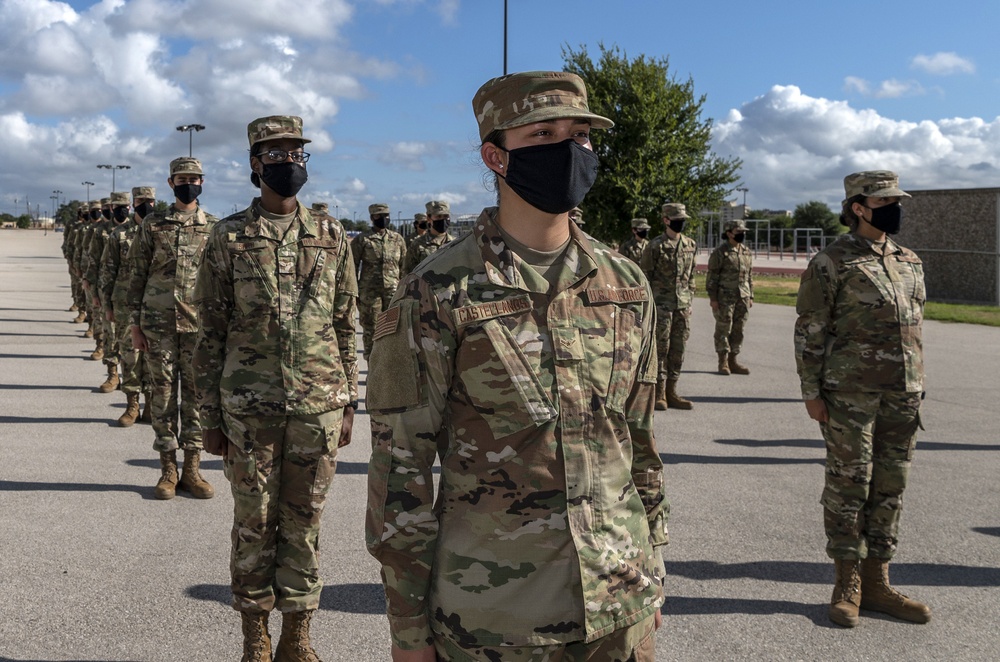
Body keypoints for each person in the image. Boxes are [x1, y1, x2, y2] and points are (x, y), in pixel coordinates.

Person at [366, 70, 668, 662]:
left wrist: (652, 564)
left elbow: (638, 444)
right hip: (497, 622)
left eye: (580, 136)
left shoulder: (625, 284)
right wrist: (407, 625)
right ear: (494, 156)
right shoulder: (435, 291)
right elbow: (400, 470)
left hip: (620, 605)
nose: (569, 150)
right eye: (544, 134)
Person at [194, 115, 359, 661]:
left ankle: (297, 635)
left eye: (298, 154)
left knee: (305, 522)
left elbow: (345, 320)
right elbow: (210, 330)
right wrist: (210, 418)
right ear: (255, 164)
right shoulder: (228, 236)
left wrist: (349, 401)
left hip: (318, 406)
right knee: (253, 523)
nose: (290, 163)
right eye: (277, 154)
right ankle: (254, 636)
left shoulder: (332, 235)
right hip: (249, 409)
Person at [794, 170, 931, 628]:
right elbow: (810, 328)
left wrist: (915, 382)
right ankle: (847, 581)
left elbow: (915, 325)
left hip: (903, 394)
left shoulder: (909, 260)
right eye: (886, 200)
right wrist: (811, 392)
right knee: (848, 486)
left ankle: (877, 581)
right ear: (858, 207)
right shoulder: (831, 261)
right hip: (849, 394)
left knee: (890, 487)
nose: (896, 207)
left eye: (897, 199)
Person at [127, 157, 217, 501]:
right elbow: (136, 275)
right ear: (170, 183)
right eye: (182, 178)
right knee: (162, 399)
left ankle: (193, 469)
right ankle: (168, 469)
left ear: (202, 182)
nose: (188, 183)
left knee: (195, 399)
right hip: (157, 325)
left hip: (198, 327)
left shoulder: (214, 226)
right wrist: (134, 325)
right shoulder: (152, 224)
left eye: (194, 178)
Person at [100, 186, 156, 426]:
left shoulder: (160, 231)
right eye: (141, 200)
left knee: (154, 356)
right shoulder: (120, 234)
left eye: (150, 200)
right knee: (130, 356)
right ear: (133, 203)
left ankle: (152, 406)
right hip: (124, 304)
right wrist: (106, 304)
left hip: (156, 305)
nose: (146, 204)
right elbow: (107, 270)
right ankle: (132, 405)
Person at [641, 202, 697, 410]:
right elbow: (645, 277)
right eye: (676, 219)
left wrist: (689, 300)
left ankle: (673, 392)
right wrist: (648, 306)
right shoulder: (655, 246)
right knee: (661, 349)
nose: (680, 223)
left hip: (682, 306)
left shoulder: (690, 244)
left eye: (682, 220)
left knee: (678, 349)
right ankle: (659, 393)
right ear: (666, 220)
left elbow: (691, 277)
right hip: (661, 306)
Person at [352, 202, 406, 361]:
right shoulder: (363, 239)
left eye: (386, 216)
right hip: (370, 293)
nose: (383, 219)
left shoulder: (397, 239)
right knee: (372, 330)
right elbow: (352, 266)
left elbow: (404, 266)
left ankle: (391, 366)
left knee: (394, 329)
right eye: (379, 216)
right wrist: (354, 292)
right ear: (371, 218)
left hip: (393, 293)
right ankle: (372, 366)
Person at [706, 219, 753, 375]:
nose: (742, 235)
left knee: (739, 329)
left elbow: (749, 275)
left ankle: (733, 360)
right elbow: (712, 277)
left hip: (743, 296)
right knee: (723, 329)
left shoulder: (746, 251)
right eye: (739, 232)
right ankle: (723, 362)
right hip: (724, 297)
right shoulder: (720, 253)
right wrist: (713, 298)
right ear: (729, 233)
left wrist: (751, 295)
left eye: (743, 232)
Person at [404, 200, 455, 272]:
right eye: (438, 216)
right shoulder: (418, 244)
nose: (443, 220)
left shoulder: (455, 243)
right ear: (428, 218)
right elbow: (408, 272)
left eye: (446, 216)